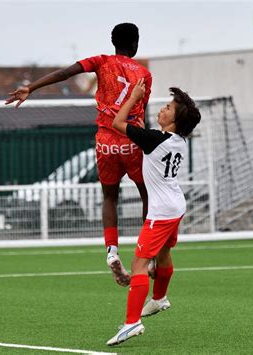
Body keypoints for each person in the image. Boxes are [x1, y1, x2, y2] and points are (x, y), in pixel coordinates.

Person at [5, 23, 152, 287]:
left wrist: (32, 87)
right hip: (131, 140)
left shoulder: (101, 61)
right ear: (135, 44)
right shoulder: (143, 73)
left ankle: (111, 251)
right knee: (146, 193)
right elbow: (142, 110)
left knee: (109, 197)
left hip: (105, 142)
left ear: (113, 42)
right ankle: (148, 254)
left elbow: (65, 72)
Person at [106, 79, 201, 346]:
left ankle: (132, 323)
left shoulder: (154, 139)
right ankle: (159, 298)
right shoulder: (180, 140)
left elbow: (117, 123)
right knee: (164, 253)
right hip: (175, 206)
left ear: (175, 120)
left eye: (168, 108)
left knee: (139, 264)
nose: (162, 109)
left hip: (161, 211)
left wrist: (134, 97)